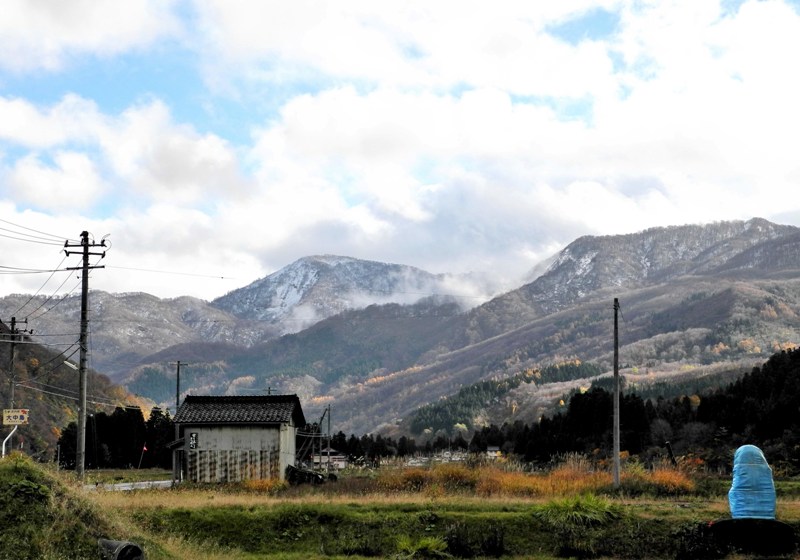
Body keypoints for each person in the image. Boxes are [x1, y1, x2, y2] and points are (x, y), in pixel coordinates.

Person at [728, 444, 776, 519]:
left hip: (740, 517)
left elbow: (735, 494)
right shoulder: (766, 473)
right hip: (767, 518)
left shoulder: (739, 471)